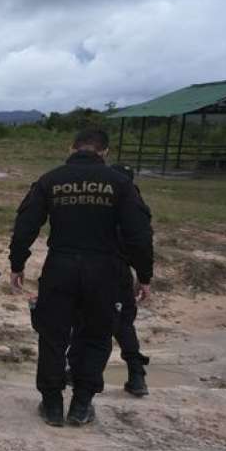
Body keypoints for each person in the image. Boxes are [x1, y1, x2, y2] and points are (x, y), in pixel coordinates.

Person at [9, 128, 153, 427]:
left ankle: (51, 405)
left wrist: (17, 263)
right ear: (105, 152)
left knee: (53, 336)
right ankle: (81, 404)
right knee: (97, 336)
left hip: (60, 266)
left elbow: (25, 225)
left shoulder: (51, 180)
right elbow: (139, 235)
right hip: (105, 270)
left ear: (71, 147)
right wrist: (144, 274)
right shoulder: (121, 184)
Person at [69, 164, 154, 396]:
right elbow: (142, 244)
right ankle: (136, 375)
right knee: (121, 325)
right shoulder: (135, 206)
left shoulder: (101, 203)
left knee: (86, 322)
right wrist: (144, 277)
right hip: (118, 272)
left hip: (93, 269)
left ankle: (86, 374)